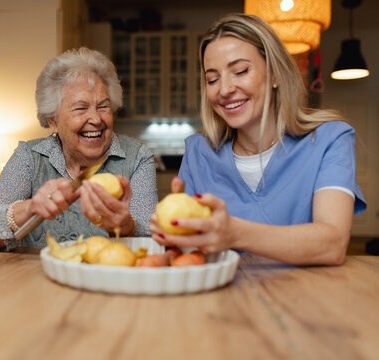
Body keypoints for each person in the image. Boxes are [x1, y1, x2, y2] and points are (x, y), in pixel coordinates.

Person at [149, 14, 366, 265]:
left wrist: (234, 233)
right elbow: (184, 252)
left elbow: (333, 244)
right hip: (220, 299)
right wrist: (156, 231)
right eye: (213, 79)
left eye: (240, 71)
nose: (225, 89)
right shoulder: (199, 151)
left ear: (274, 74)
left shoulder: (330, 139)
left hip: (306, 298)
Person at [0, 47, 158, 251]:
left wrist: (126, 226)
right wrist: (30, 207)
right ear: (53, 121)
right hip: (37, 278)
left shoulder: (137, 157)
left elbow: (153, 241)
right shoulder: (30, 157)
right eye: (81, 108)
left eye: (103, 106)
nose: (96, 119)